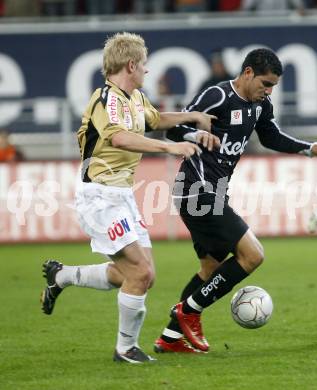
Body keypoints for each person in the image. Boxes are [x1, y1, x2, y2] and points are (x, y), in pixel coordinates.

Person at [40, 32, 218, 364]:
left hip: (122, 197)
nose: (148, 71)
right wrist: (169, 147)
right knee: (141, 274)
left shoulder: (135, 98)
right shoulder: (105, 99)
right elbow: (120, 138)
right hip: (100, 197)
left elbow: (155, 120)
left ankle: (61, 276)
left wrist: (191, 118)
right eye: (145, 65)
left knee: (132, 274)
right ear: (132, 64)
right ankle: (125, 349)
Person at [154, 48, 317, 353]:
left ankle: (169, 339)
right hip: (196, 189)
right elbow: (173, 127)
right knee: (253, 255)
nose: (268, 91)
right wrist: (196, 135)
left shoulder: (260, 104)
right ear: (248, 73)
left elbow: (271, 137)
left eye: (273, 87)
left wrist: (311, 147)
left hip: (214, 191)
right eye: (265, 84)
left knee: (210, 270)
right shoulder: (218, 95)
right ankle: (189, 311)